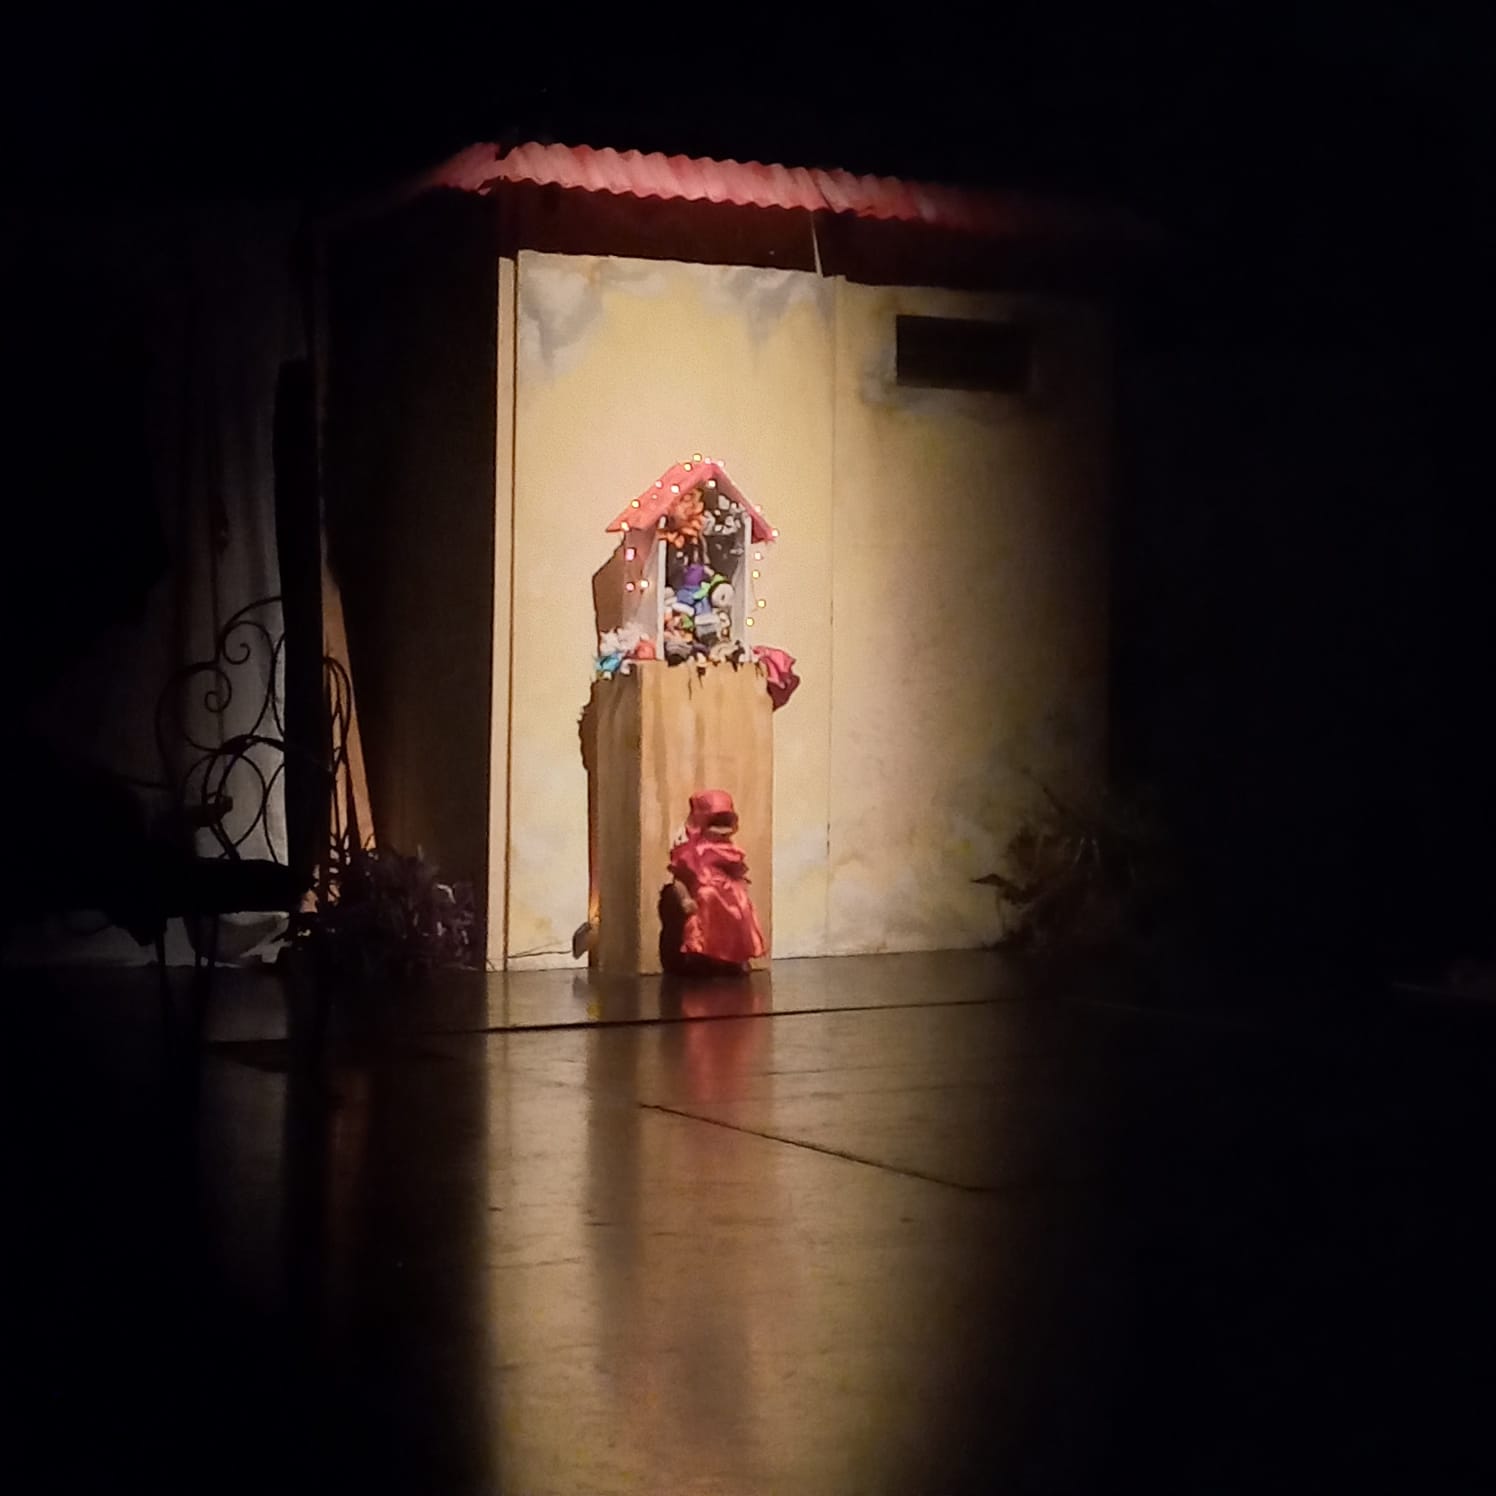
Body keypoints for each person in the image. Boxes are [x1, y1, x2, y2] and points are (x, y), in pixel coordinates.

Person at [659, 790, 765, 973]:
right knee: (707, 897)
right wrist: (685, 898)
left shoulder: (731, 850)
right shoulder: (691, 851)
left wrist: (740, 886)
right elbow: (680, 878)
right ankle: (702, 954)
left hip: (730, 894)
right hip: (705, 892)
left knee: (741, 906)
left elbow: (736, 872)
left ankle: (736, 955)